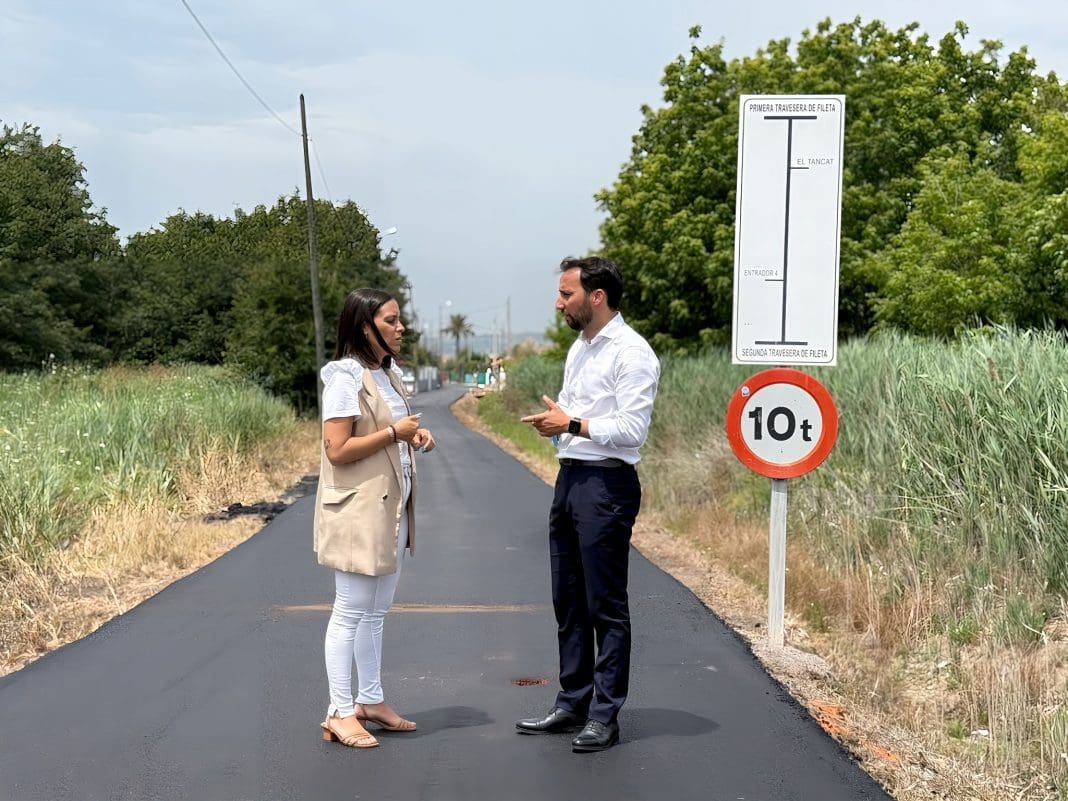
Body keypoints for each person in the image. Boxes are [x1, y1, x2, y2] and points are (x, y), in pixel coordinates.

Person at [517, 256, 660, 752]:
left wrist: (571, 425)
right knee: (568, 600)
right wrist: (557, 423)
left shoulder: (632, 353)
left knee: (605, 604)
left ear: (596, 297)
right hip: (571, 479)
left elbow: (631, 430)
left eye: (566, 295)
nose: (559, 304)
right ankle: (571, 701)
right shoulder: (579, 349)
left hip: (607, 485)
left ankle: (604, 715)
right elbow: (571, 410)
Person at [314, 287, 436, 749]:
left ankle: (370, 700)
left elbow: (390, 431)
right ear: (365, 326)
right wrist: (393, 433)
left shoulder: (387, 374)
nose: (400, 327)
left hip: (389, 510)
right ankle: (339, 711)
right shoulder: (346, 377)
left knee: (376, 612)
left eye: (399, 319)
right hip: (357, 514)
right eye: (390, 320)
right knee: (349, 611)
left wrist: (414, 435)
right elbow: (337, 449)